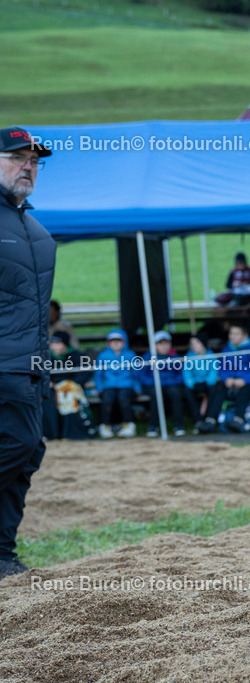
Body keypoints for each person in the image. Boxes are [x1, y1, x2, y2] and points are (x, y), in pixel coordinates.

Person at [0, 126, 55, 578]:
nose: (28, 167)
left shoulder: (32, 226)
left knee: (28, 454)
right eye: (17, 158)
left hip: (34, 364)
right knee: (15, 444)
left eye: (34, 161)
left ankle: (1, 555)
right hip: (4, 363)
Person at [197, 324, 250, 434]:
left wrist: (243, 380)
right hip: (229, 382)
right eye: (231, 333)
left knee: (244, 392)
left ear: (244, 336)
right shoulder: (226, 349)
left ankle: (238, 420)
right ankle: (211, 421)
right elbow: (222, 368)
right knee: (218, 392)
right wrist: (226, 379)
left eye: (236, 334)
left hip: (246, 382)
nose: (233, 336)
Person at [42, 331, 93, 440]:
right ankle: (52, 434)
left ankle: (71, 434)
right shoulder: (47, 358)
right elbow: (43, 376)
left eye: (58, 343)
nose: (54, 346)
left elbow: (83, 374)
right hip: (53, 389)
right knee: (48, 397)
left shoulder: (76, 356)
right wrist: (51, 383)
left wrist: (70, 384)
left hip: (71, 388)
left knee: (69, 395)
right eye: (52, 343)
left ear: (65, 344)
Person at [94, 329, 141, 439]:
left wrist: (137, 388)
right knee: (107, 399)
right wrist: (100, 388)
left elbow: (136, 374)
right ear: (108, 343)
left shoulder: (130, 355)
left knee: (123, 398)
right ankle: (105, 426)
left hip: (127, 386)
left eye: (118, 341)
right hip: (108, 386)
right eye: (112, 341)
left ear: (124, 342)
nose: (115, 343)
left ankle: (128, 425)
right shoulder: (103, 356)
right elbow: (98, 374)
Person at [139, 331, 186, 438]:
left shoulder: (174, 356)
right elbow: (142, 375)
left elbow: (180, 374)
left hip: (170, 384)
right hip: (153, 385)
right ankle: (153, 426)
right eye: (160, 343)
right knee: (156, 394)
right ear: (154, 345)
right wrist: (152, 382)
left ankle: (178, 425)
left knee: (176, 394)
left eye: (166, 343)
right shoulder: (148, 356)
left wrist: (173, 381)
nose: (164, 346)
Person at [182, 334, 218, 426]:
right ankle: (198, 420)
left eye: (196, 343)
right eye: (192, 343)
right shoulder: (188, 356)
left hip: (208, 383)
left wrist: (208, 382)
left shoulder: (211, 355)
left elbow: (214, 371)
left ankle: (210, 418)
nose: (193, 345)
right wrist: (192, 384)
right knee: (187, 391)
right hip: (195, 384)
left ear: (203, 343)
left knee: (214, 389)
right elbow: (186, 373)